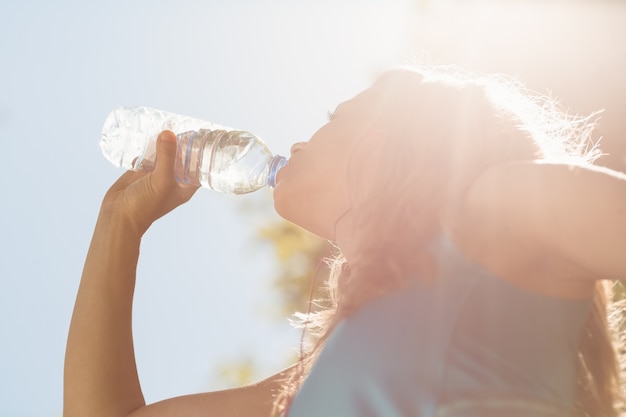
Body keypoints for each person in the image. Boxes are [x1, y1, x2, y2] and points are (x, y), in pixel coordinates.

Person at [64, 65, 625, 417]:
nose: (302, 140)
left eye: (333, 118)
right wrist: (119, 223)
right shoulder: (302, 389)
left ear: (394, 137)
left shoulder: (497, 206)